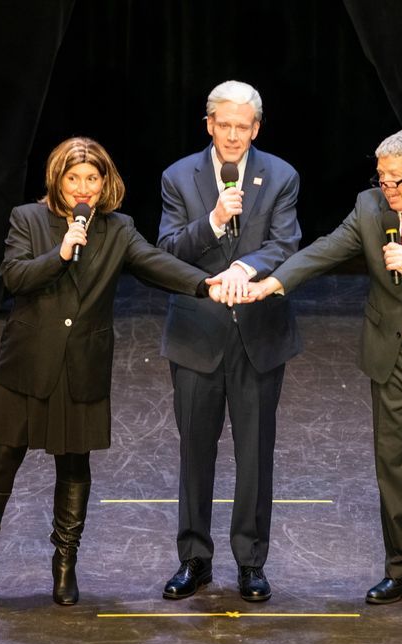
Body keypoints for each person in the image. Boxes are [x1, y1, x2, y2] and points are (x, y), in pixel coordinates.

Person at [0, 136, 225, 608]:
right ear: (58, 180)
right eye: (74, 178)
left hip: (82, 368)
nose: (83, 189)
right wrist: (62, 252)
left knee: (74, 468)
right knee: (0, 462)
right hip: (27, 365)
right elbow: (14, 277)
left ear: (105, 182)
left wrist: (203, 284)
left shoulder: (119, 230)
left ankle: (64, 567)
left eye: (92, 179)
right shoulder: (27, 219)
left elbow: (157, 264)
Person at [245, 129, 402, 618]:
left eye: (394, 178)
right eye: (379, 176)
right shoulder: (369, 206)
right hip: (390, 355)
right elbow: (325, 249)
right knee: (392, 468)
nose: (386, 187)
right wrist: (274, 281)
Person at [156, 80, 302, 602]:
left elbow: (285, 243)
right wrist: (215, 220)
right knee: (195, 452)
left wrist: (245, 266)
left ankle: (251, 563)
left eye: (245, 127)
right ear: (210, 125)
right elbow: (170, 250)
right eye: (226, 126)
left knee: (254, 454)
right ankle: (193, 559)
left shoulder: (281, 175)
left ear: (256, 128)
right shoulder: (178, 177)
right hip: (197, 334)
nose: (235, 136)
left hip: (259, 335)